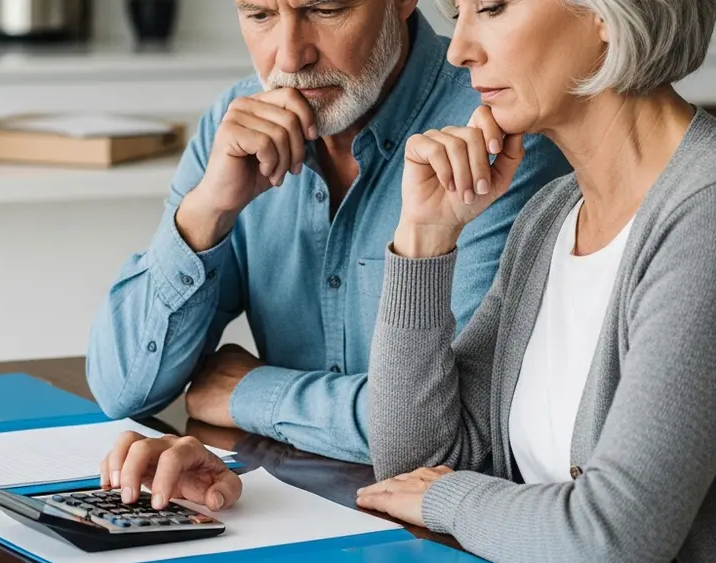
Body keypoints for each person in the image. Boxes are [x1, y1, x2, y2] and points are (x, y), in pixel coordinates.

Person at [97, 0, 716, 559]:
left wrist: (449, 499)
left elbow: (612, 539)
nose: (459, 48)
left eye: (493, 8)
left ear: (605, 15)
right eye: (460, 11)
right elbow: (418, 460)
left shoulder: (700, 214)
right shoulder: (554, 216)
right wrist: (423, 241)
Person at [85, 0, 570, 464]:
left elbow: (455, 425)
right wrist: (207, 212)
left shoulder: (497, 134)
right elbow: (123, 388)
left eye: (325, 10)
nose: (291, 56)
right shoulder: (234, 124)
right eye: (259, 14)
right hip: (282, 507)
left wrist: (248, 393)